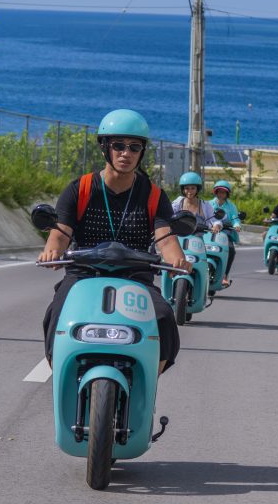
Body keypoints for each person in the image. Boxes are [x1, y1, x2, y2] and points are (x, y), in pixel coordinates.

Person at [38, 109, 191, 374]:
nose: (126, 153)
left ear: (142, 152)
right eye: (118, 145)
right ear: (104, 148)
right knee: (56, 315)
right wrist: (52, 252)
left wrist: (178, 260)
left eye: (134, 147)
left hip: (134, 276)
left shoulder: (153, 195)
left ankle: (145, 390)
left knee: (164, 318)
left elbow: (165, 238)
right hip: (83, 274)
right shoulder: (81, 188)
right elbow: (60, 233)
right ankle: (61, 374)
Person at [208, 180, 241, 287]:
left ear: (227, 194)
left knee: (231, 250)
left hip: (225, 233)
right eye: (219, 192)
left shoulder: (231, 206)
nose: (221, 194)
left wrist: (236, 225)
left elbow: (235, 218)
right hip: (209, 232)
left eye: (224, 192)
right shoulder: (208, 204)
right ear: (215, 192)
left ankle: (225, 275)